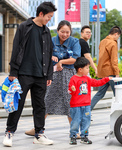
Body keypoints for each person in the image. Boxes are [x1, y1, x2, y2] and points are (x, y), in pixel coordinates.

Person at [3, 2, 57, 147]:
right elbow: (16, 49)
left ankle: (39, 134)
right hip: (24, 73)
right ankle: (9, 133)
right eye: (49, 16)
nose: (49, 19)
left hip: (41, 75)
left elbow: (50, 54)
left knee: (40, 106)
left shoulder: (46, 31)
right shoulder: (24, 27)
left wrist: (49, 75)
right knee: (18, 105)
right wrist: (13, 72)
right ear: (41, 14)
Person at [25, 20, 81, 136]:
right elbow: (42, 54)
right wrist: (51, 57)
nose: (65, 34)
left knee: (70, 101)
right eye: (62, 32)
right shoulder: (50, 41)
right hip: (52, 75)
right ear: (57, 31)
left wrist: (61, 61)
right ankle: (37, 128)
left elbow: (75, 58)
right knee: (45, 100)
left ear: (70, 32)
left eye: (67, 32)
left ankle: (74, 131)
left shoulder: (75, 42)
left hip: (69, 75)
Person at [68, 57, 112, 145]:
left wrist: (106, 79)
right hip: (76, 105)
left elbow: (96, 83)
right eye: (87, 68)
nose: (88, 69)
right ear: (80, 69)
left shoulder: (87, 79)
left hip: (87, 105)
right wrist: (72, 89)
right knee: (75, 121)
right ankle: (73, 136)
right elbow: (70, 91)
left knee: (86, 121)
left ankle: (84, 136)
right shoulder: (73, 78)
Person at [91, 26, 122, 110]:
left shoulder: (102, 42)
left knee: (100, 93)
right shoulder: (113, 43)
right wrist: (117, 73)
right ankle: (121, 113)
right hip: (110, 72)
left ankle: (86, 111)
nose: (118, 38)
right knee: (118, 93)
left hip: (103, 72)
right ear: (116, 34)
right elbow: (114, 60)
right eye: (118, 36)